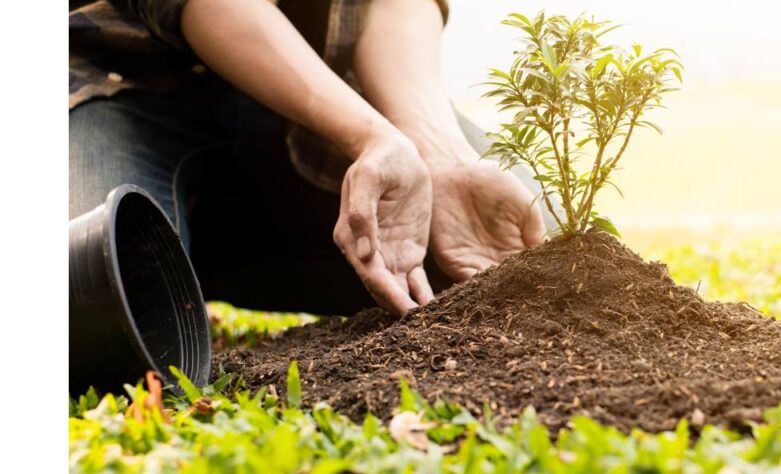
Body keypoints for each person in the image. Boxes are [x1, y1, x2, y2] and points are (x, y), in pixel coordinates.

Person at [70, 0, 549, 317]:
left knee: (528, 259)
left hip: (329, 86)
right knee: (94, 295)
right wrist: (369, 135)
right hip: (118, 82)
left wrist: (438, 153)